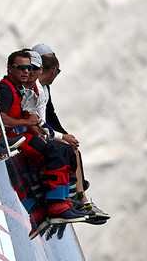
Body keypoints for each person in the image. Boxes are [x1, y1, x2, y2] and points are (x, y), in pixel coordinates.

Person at [0, 50, 87, 225]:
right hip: (9, 138)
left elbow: (23, 115)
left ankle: (66, 201)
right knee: (52, 150)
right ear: (9, 69)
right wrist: (27, 122)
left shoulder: (17, 88)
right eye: (21, 68)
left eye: (29, 68)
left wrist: (32, 125)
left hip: (19, 133)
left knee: (65, 149)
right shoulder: (5, 89)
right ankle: (56, 206)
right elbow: (1, 119)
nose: (27, 72)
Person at [31, 45, 109, 223]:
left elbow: (48, 115)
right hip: (35, 131)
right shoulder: (36, 86)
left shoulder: (42, 87)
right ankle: (76, 199)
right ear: (53, 70)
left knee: (71, 148)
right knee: (67, 150)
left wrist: (63, 134)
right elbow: (37, 117)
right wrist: (61, 136)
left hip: (40, 129)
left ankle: (76, 197)